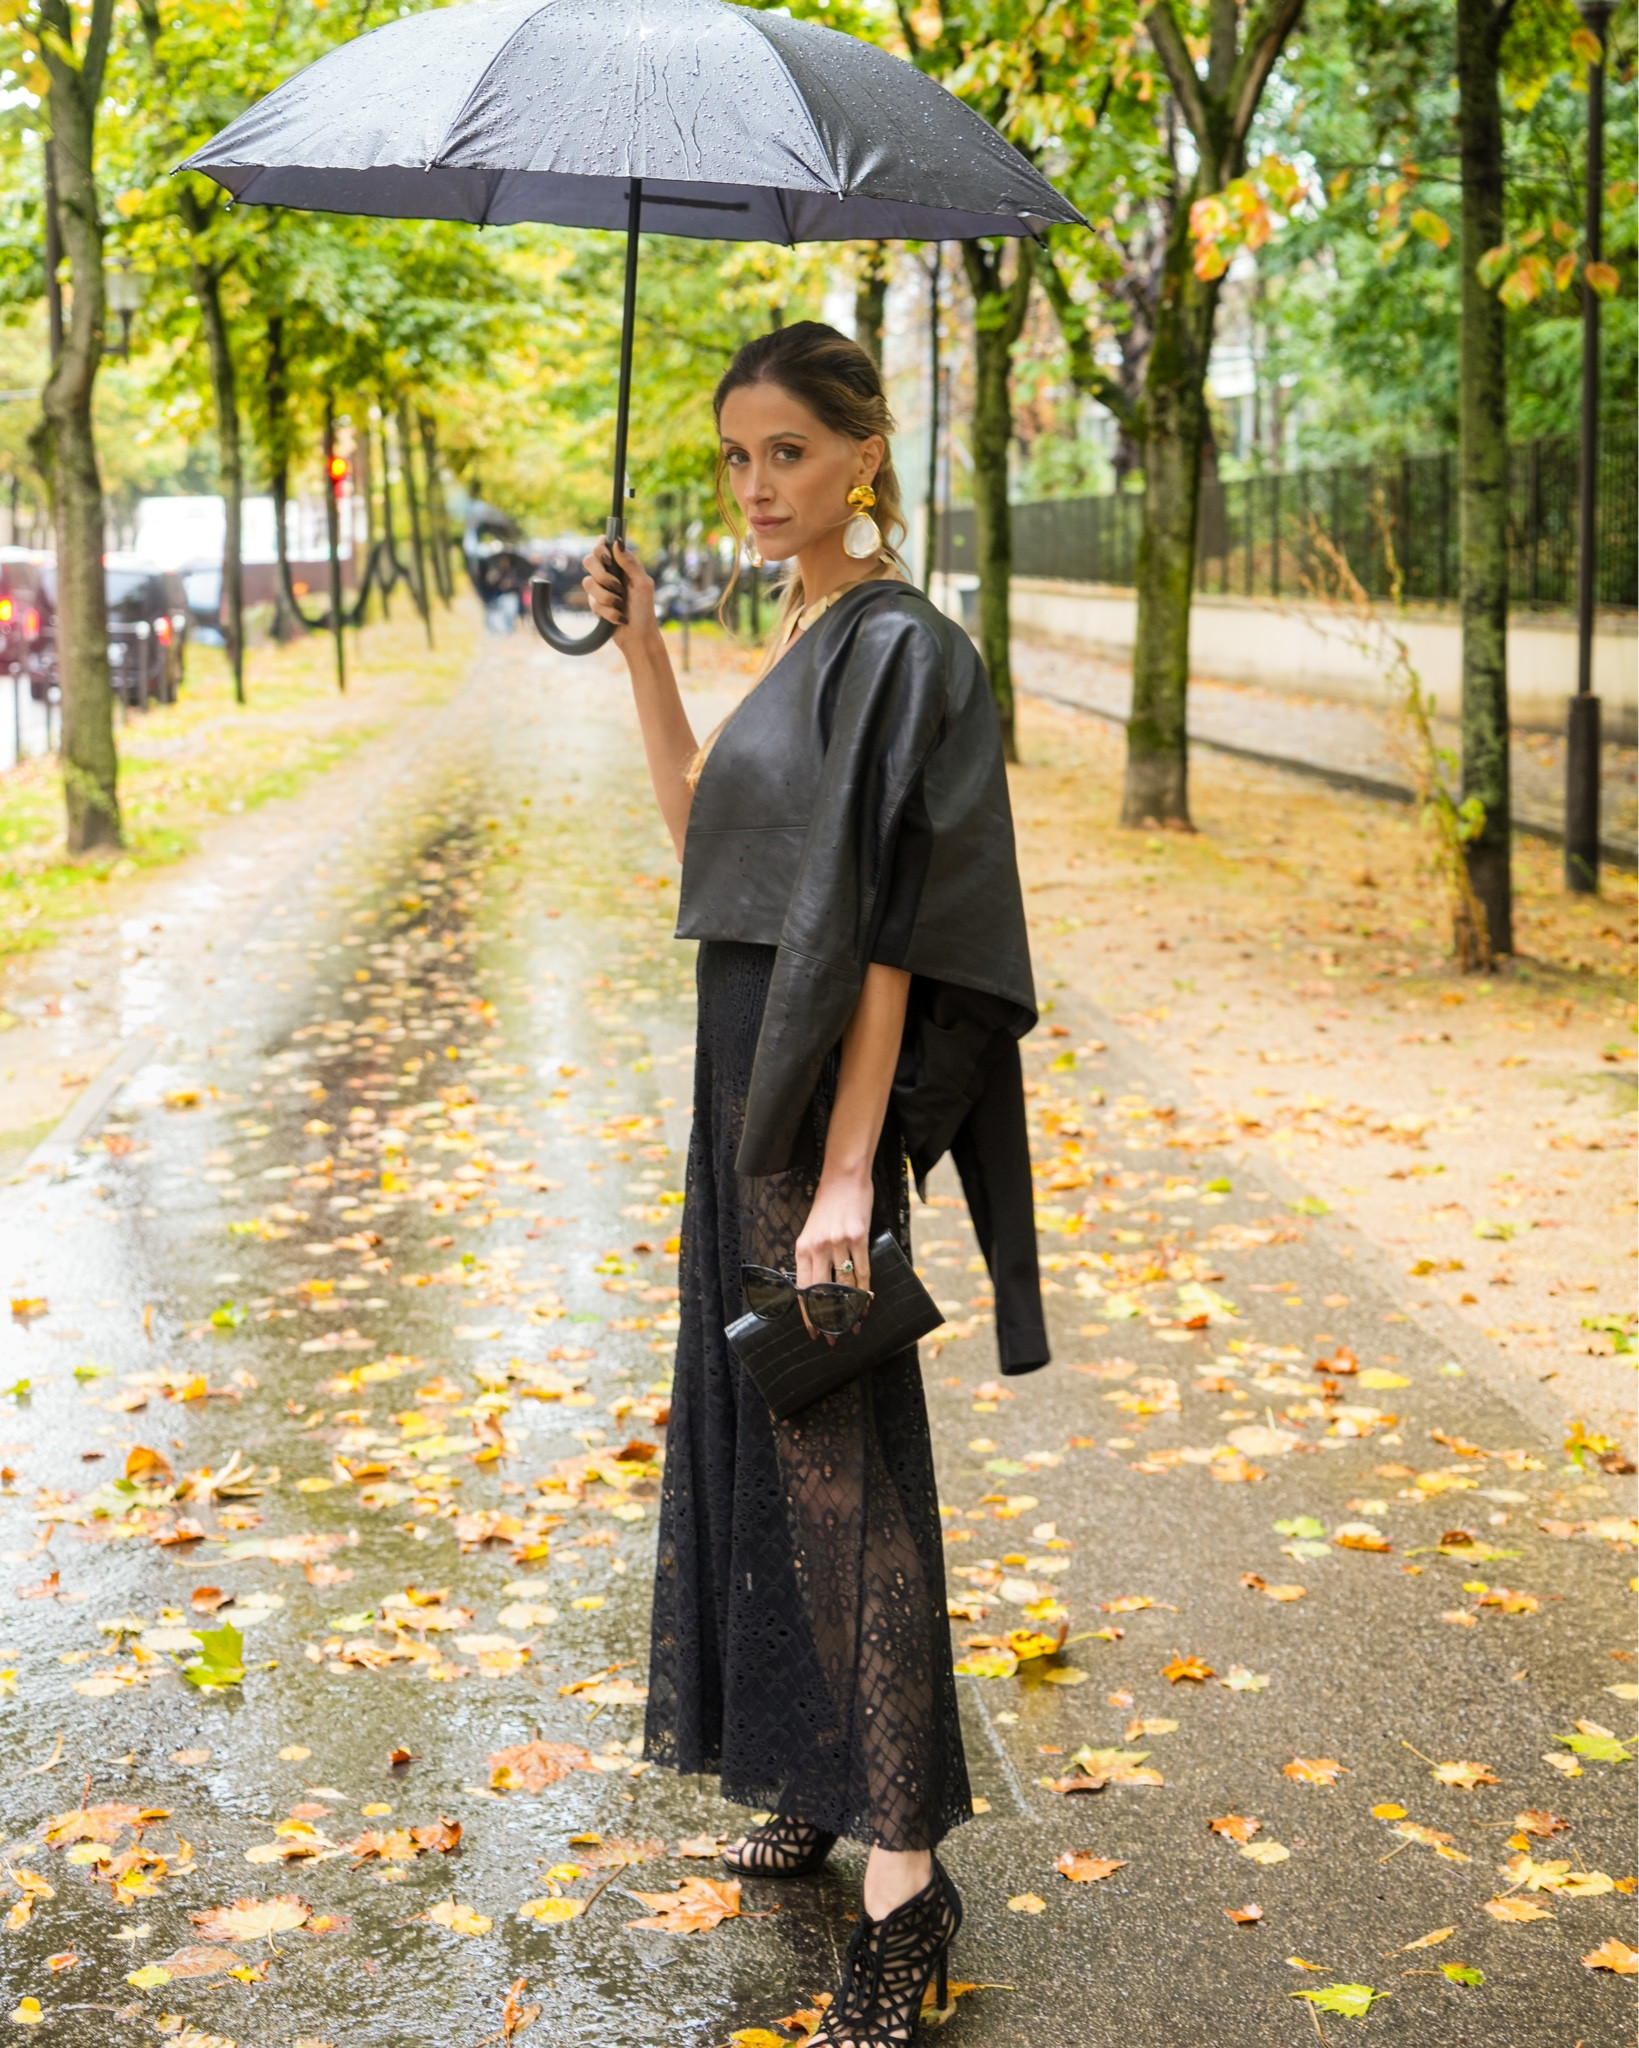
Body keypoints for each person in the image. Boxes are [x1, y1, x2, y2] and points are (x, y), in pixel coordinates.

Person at [582, 322, 1048, 2048]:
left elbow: (890, 936)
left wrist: (853, 1171)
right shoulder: (795, 626)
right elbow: (704, 833)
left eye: (787, 451)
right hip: (742, 1067)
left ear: (864, 452)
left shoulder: (906, 648)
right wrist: (644, 649)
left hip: (814, 1091)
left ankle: (907, 1890)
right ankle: (809, 1764)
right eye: (736, 457)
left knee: (842, 1459)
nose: (757, 484)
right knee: (758, 1426)